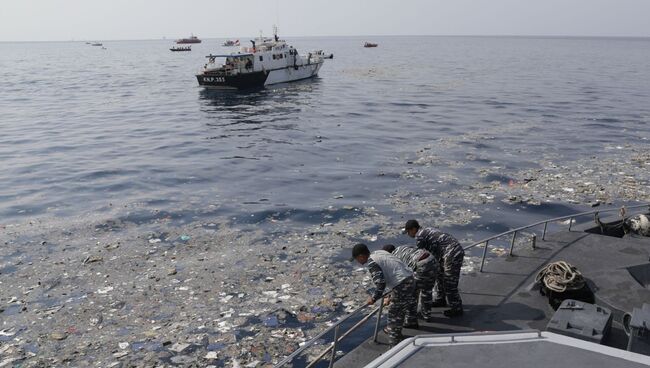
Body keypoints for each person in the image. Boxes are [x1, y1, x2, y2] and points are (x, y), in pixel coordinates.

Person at [352, 243, 418, 345]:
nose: (357, 262)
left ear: (361, 256)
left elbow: (381, 283)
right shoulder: (379, 253)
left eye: (357, 259)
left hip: (402, 284)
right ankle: (399, 336)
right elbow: (392, 270)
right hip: (409, 278)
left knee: (393, 315)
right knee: (400, 312)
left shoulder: (372, 263)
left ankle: (394, 345)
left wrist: (373, 298)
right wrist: (391, 295)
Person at [403, 219, 465, 317]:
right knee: (439, 275)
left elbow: (421, 256)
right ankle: (441, 299)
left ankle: (457, 308)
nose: (408, 234)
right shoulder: (426, 230)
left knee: (450, 282)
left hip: (451, 253)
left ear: (414, 229)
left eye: (408, 231)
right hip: (446, 253)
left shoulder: (420, 236)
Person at [382, 244, 438, 321]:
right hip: (432, 260)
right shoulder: (404, 247)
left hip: (421, 264)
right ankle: (426, 314)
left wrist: (389, 297)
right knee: (427, 290)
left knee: (412, 293)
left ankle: (411, 320)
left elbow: (398, 280)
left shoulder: (393, 258)